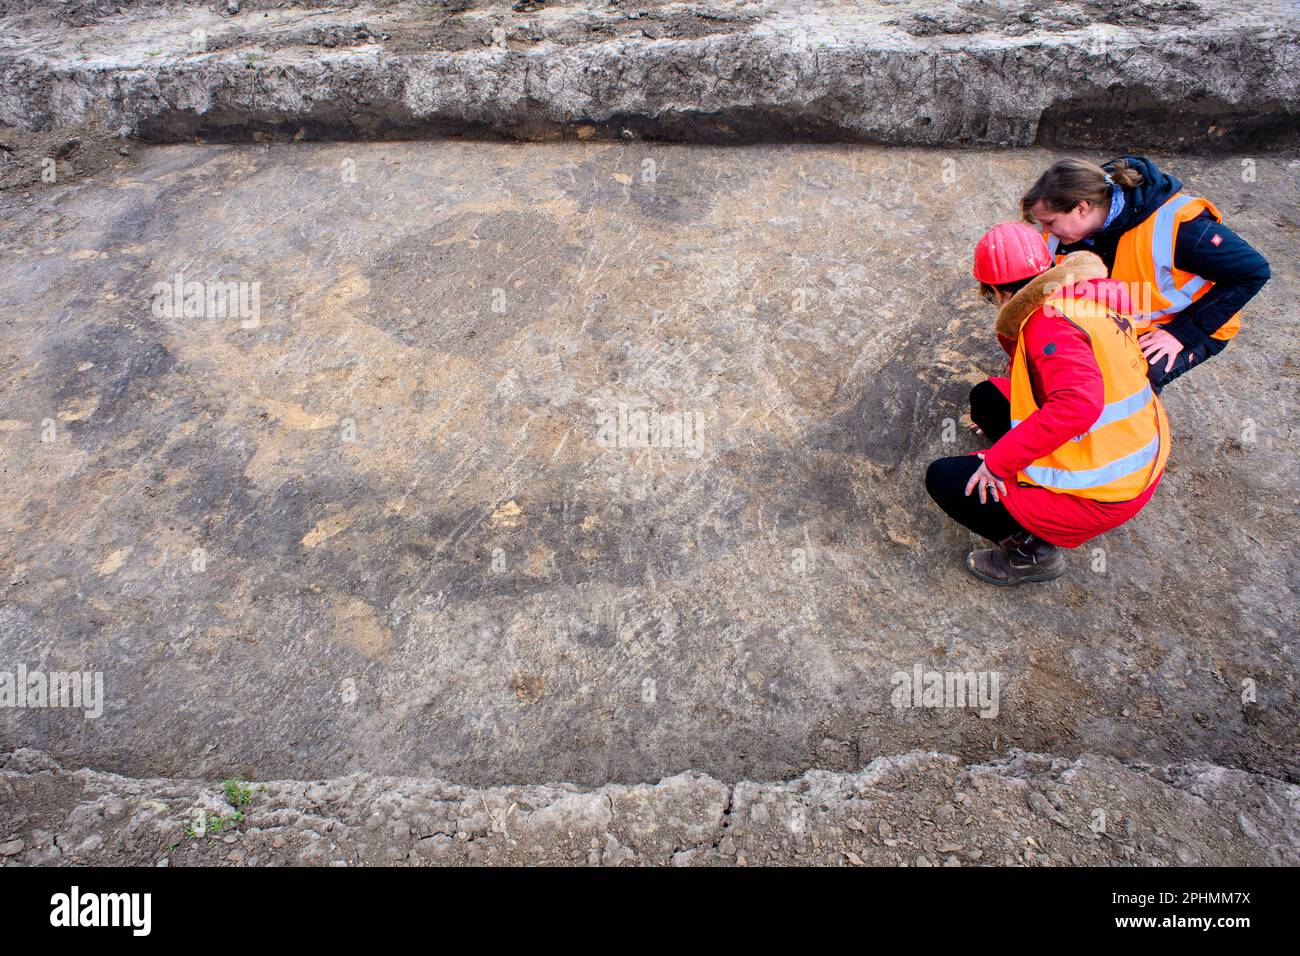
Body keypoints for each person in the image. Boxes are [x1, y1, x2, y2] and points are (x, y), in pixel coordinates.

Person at [925, 223, 1170, 585]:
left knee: (947, 480)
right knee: (987, 398)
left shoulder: (1045, 324)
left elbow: (1078, 406)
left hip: (1107, 489)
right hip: (1134, 451)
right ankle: (1029, 481)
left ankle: (1031, 555)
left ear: (994, 290)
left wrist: (998, 463)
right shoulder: (1084, 298)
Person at [1020, 156, 1270, 391]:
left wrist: (1181, 334)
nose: (1046, 231)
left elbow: (1252, 271)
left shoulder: (1179, 228)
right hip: (1125, 322)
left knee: (1127, 381)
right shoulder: (1068, 232)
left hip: (1181, 324)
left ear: (1082, 208)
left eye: (1050, 222)